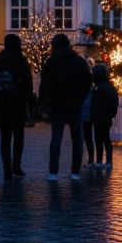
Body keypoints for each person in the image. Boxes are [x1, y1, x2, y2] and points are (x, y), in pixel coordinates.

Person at [39, 33, 93, 180]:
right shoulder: (79, 61)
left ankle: (53, 172)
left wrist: (44, 103)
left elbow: (44, 84)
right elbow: (88, 82)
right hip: (75, 104)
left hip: (57, 104)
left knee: (56, 139)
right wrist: (80, 97)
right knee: (77, 139)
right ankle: (75, 172)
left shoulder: (51, 61)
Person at [0, 34, 35, 180]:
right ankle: (16, 165)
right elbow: (28, 85)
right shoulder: (21, 62)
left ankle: (7, 169)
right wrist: (31, 104)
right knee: (19, 136)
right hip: (18, 103)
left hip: (2, 104)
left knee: (5, 138)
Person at [90, 63, 120, 168]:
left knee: (102, 139)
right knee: (103, 139)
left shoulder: (101, 89)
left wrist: (110, 114)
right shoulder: (108, 88)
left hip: (102, 117)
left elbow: (112, 104)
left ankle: (105, 161)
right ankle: (104, 161)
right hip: (103, 117)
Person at [81, 58, 96, 166]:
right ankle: (90, 158)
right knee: (88, 137)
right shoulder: (92, 84)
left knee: (85, 137)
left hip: (84, 112)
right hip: (88, 113)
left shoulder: (85, 83)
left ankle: (89, 158)